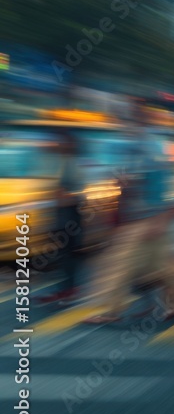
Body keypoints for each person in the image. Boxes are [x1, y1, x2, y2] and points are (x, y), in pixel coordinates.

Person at [85, 102, 174, 323]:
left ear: (139, 119)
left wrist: (160, 218)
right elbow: (131, 178)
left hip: (144, 218)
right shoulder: (140, 143)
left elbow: (158, 184)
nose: (124, 123)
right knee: (163, 265)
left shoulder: (147, 145)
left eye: (128, 118)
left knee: (118, 264)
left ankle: (110, 311)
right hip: (142, 218)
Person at [38, 131, 85, 305]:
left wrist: (62, 198)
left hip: (70, 219)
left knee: (67, 256)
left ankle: (69, 290)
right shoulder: (62, 163)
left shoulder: (74, 165)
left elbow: (80, 194)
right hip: (62, 218)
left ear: (70, 145)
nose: (58, 144)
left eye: (62, 142)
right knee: (61, 255)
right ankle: (64, 289)